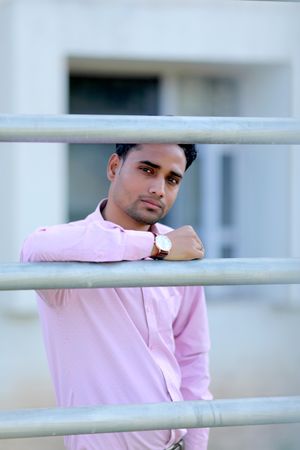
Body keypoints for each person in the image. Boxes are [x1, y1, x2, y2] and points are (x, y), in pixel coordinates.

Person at [20, 143, 212, 450]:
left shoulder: (181, 253)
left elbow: (192, 359)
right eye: (147, 170)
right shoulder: (70, 250)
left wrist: (197, 444)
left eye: (172, 179)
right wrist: (156, 247)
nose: (158, 188)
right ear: (113, 168)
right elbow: (36, 246)